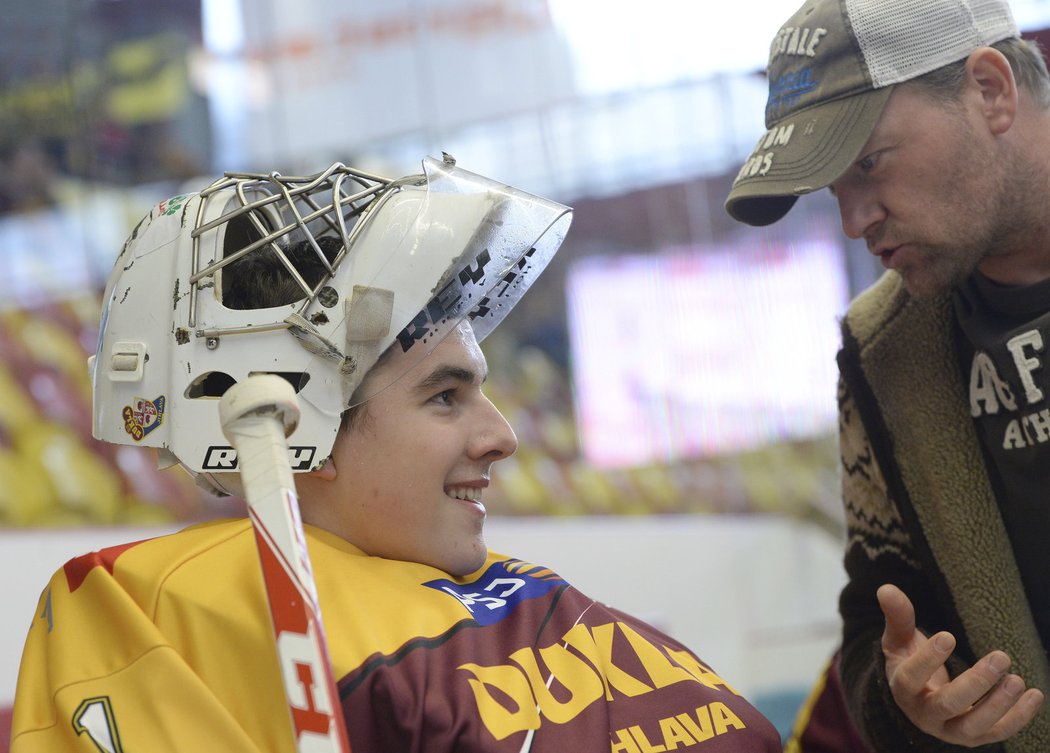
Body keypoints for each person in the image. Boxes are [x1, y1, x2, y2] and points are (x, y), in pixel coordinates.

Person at [10, 156, 783, 752]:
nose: (502, 436)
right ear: (294, 424)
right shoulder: (156, 609)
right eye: (445, 396)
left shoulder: (513, 593)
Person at [724, 0, 1050, 749]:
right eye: (832, 187)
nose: (853, 219)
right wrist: (909, 703)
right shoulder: (883, 357)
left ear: (991, 90)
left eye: (867, 163)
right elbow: (877, 620)